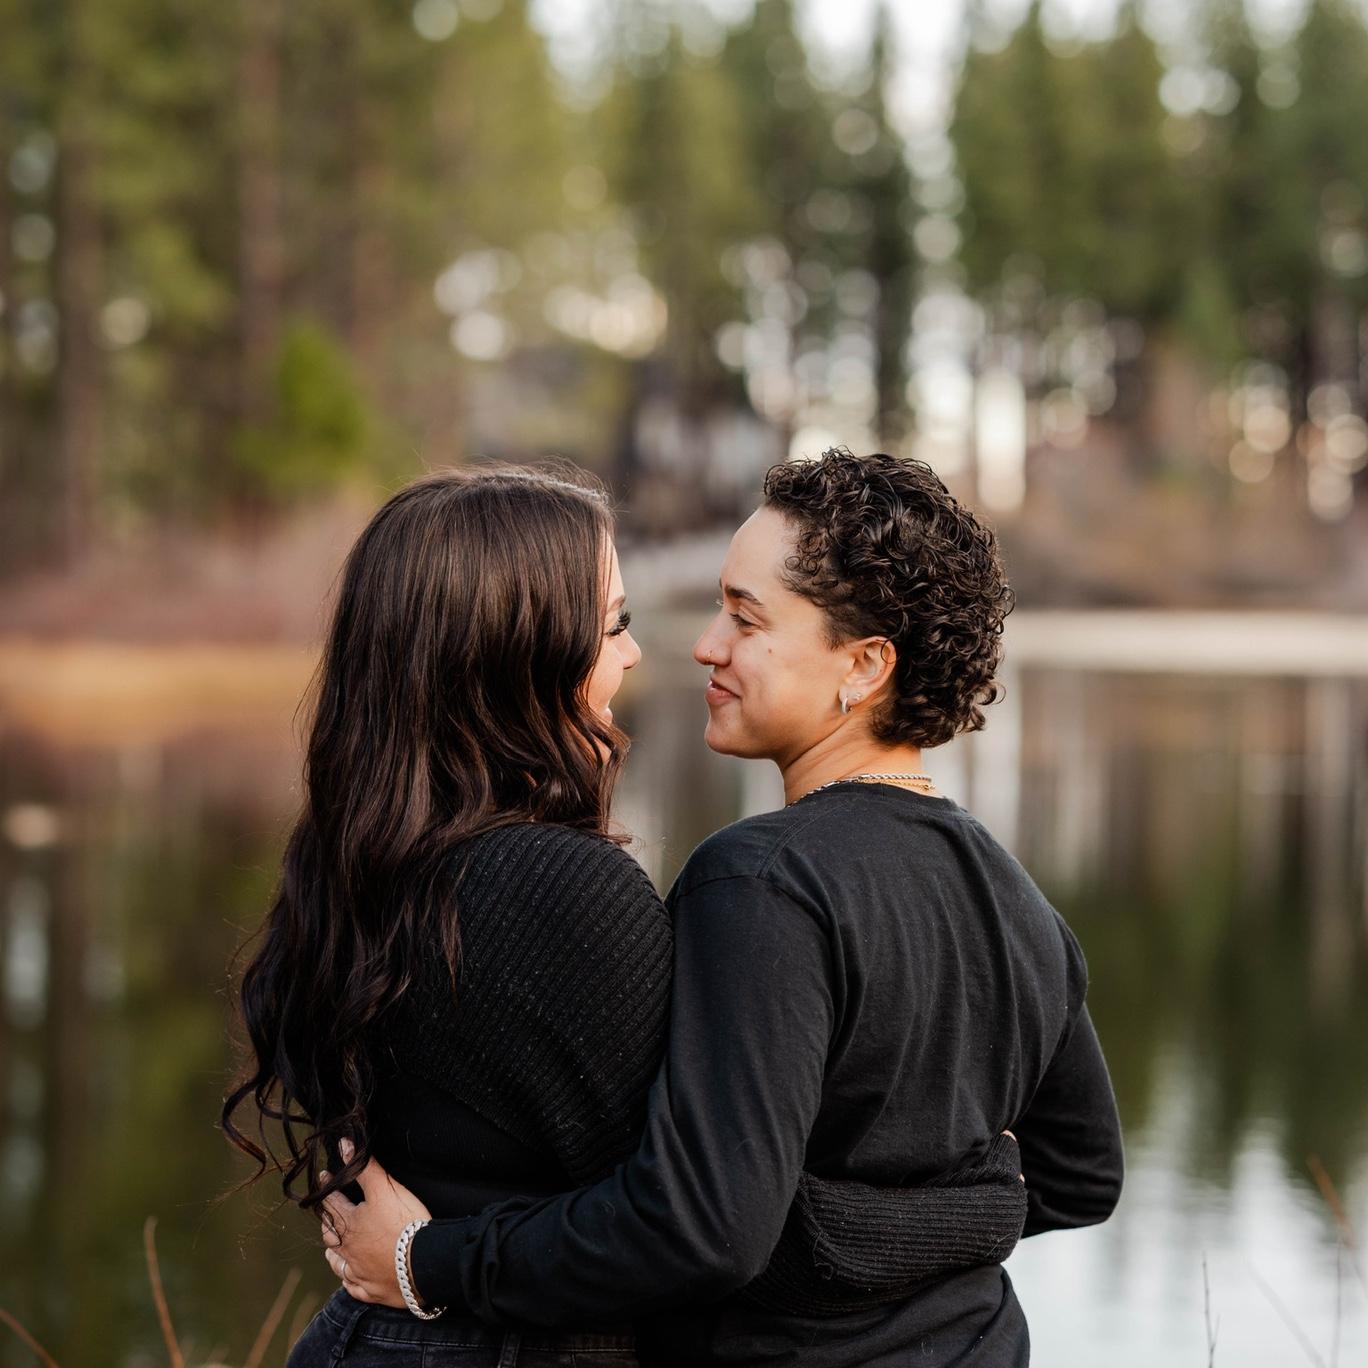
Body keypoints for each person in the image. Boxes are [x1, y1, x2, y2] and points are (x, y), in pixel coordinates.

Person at [316, 449, 1125, 1367]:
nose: (706, 645)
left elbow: (709, 1221)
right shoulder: (1018, 900)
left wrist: (429, 1260)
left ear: (864, 665)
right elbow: (1080, 1176)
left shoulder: (759, 883)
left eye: (745, 617)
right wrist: (967, 1210)